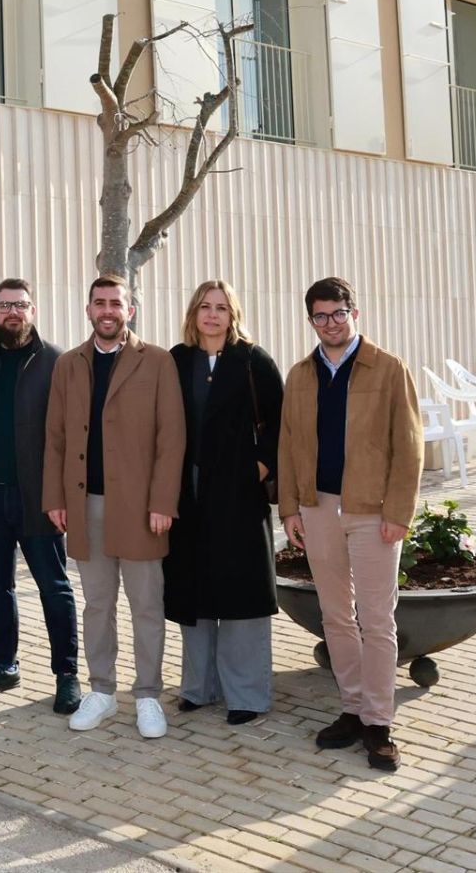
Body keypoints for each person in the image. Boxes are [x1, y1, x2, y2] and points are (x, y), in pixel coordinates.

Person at [279, 277, 422, 771]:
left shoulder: (388, 368)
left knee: (377, 619)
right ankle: (352, 708)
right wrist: (290, 508)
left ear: (354, 313)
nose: (330, 323)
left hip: (372, 510)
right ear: (311, 321)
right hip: (317, 509)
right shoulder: (300, 374)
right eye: (320, 316)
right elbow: (289, 443)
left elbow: (409, 446)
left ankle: (379, 722)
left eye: (338, 313)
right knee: (336, 614)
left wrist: (398, 512)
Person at [44, 275, 185, 738]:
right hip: (86, 506)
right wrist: (56, 499)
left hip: (142, 508)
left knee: (146, 605)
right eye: (99, 303)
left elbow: (172, 438)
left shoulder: (158, 362)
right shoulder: (68, 364)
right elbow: (56, 438)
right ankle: (101, 691)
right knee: (96, 605)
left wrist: (163, 501)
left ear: (131, 310)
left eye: (116, 303)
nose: (107, 311)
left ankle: (147, 696)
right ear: (88, 310)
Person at [0, 279, 81, 714]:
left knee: (54, 587)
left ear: (33, 310)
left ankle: (66, 674)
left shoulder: (55, 361)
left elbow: (69, 434)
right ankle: (4, 665)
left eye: (20, 305)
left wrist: (61, 493)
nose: (13, 313)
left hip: (39, 499)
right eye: (5, 305)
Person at [164, 280, 284, 725]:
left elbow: (279, 424)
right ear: (194, 313)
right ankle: (199, 687)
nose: (212, 315)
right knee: (193, 590)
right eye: (204, 307)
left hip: (238, 493)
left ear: (233, 315)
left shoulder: (253, 360)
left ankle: (247, 695)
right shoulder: (176, 360)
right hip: (188, 491)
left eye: (221, 308)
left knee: (241, 591)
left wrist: (260, 467)